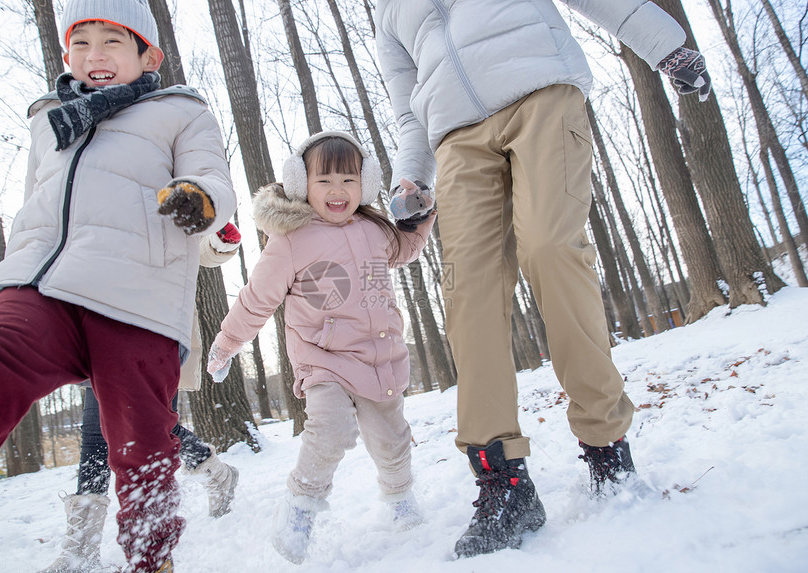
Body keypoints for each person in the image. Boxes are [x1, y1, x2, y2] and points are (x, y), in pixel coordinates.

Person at [374, 0, 712, 558]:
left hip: (540, 91)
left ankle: (606, 443)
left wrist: (665, 45)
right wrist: (411, 176)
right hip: (455, 139)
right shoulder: (389, 14)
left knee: (551, 247)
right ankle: (503, 480)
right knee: (466, 293)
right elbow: (408, 109)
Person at [0, 0, 237, 571]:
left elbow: (212, 178)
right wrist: (8, 276)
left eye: (112, 41)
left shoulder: (179, 112)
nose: (94, 55)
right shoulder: (48, 120)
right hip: (40, 289)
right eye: (81, 43)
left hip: (135, 296)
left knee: (140, 435)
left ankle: (151, 557)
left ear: (146, 54)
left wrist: (199, 199)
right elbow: (34, 204)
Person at [206, 131, 436, 564]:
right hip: (323, 360)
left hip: (378, 358)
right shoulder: (291, 240)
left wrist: (421, 215)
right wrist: (227, 343)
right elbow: (257, 299)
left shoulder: (374, 228)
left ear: (364, 185)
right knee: (330, 429)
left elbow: (406, 249)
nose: (338, 191)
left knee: (392, 438)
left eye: (349, 181)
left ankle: (401, 496)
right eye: (324, 180)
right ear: (301, 184)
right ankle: (300, 508)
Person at [40, 226, 242, 573]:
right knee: (97, 435)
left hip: (157, 325)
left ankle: (203, 489)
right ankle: (81, 550)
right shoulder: (95, 197)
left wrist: (221, 239)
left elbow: (202, 249)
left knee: (155, 431)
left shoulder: (164, 188)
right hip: (100, 321)